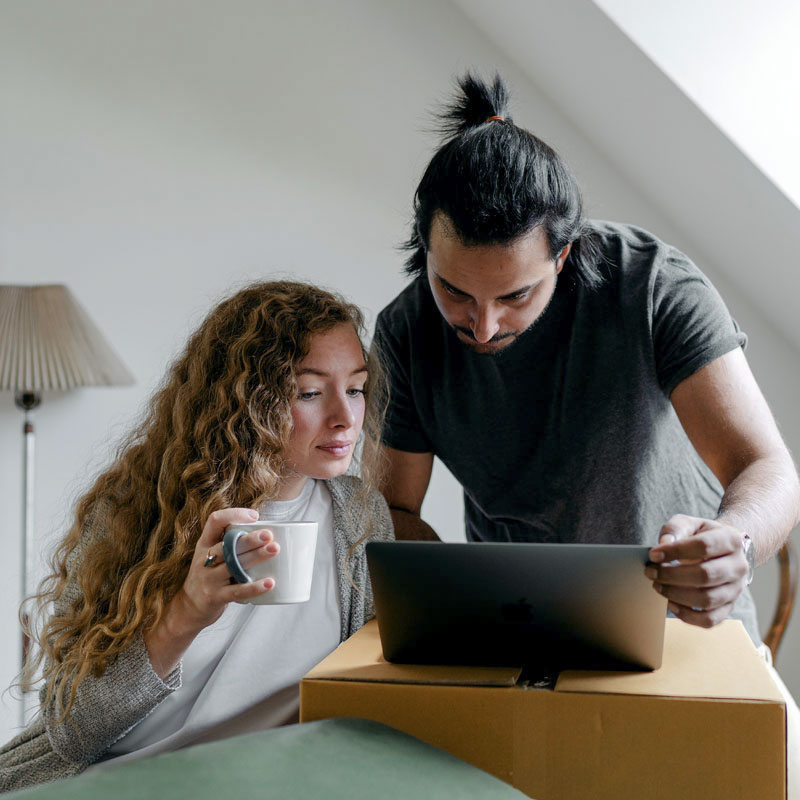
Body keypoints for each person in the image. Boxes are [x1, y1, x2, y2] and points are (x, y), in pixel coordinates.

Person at [373, 73, 800, 790]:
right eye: (455, 292)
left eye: (515, 295)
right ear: (426, 248)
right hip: (520, 650)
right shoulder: (407, 330)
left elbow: (769, 469)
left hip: (692, 630)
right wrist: (447, 595)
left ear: (563, 256)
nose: (482, 327)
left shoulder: (653, 284)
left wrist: (740, 542)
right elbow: (394, 509)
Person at [0, 280, 393, 792]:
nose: (345, 418)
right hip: (115, 780)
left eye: (356, 388)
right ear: (247, 400)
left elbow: (363, 691)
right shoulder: (136, 511)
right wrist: (186, 612)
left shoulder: (358, 515)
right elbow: (72, 733)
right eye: (310, 392)